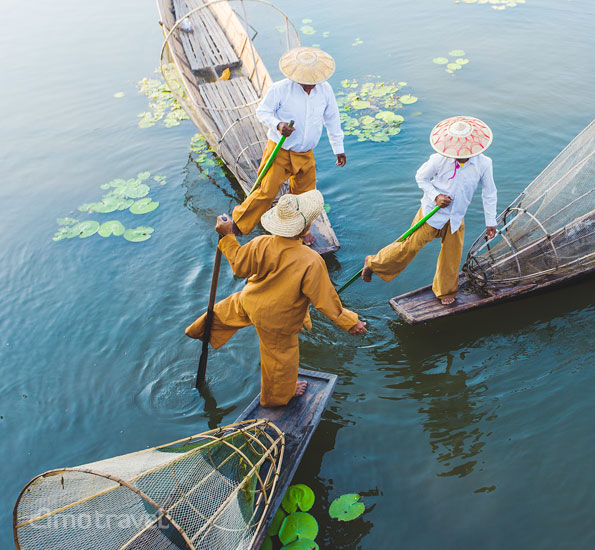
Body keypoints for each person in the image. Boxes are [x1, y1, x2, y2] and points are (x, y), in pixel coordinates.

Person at [186, 190, 366, 407]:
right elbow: (325, 300)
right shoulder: (311, 260)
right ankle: (279, 396)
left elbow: (239, 265)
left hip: (249, 301)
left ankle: (200, 330)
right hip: (277, 320)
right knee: (281, 360)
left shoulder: (261, 243)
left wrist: (227, 236)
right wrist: (349, 322)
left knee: (224, 311)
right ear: (305, 228)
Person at [361, 116, 497, 305]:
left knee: (452, 256)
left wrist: (491, 222)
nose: (460, 154)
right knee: (409, 246)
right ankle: (373, 263)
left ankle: (445, 291)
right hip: (431, 213)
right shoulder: (439, 159)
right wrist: (436, 196)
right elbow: (421, 178)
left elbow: (489, 193)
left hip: (456, 217)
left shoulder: (484, 163)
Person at [232, 47, 346, 243]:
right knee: (266, 191)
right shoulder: (280, 89)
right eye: (306, 83)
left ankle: (300, 232)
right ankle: (238, 225)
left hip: (306, 153)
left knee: (305, 196)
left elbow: (332, 119)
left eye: (313, 83)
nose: (310, 87)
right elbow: (263, 112)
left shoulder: (325, 90)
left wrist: (339, 149)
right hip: (280, 151)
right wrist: (278, 125)